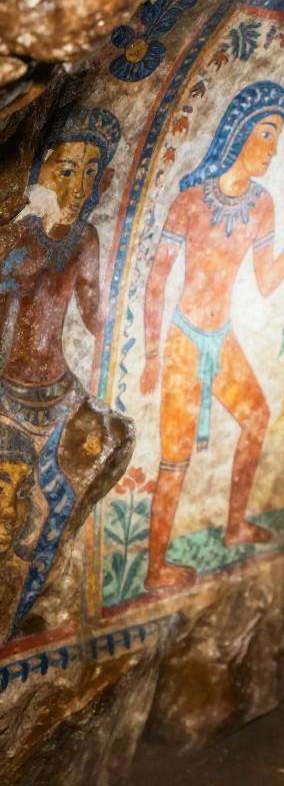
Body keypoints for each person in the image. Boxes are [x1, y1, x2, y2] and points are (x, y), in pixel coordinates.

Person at [142, 81, 284, 590]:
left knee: (256, 418)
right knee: (174, 458)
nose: (273, 148)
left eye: (277, 136)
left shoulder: (263, 204)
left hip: (222, 338)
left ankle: (236, 524)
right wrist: (153, 355)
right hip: (184, 340)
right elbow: (157, 280)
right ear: (238, 132)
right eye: (266, 133)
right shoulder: (189, 201)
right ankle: (155, 567)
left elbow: (265, 281)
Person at [0, 106, 132, 638]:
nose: (77, 187)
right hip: (8, 395)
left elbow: (98, 316)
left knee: (60, 500)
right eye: (67, 170)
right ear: (42, 172)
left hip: (60, 394)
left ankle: (28, 600)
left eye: (89, 172)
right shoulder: (18, 237)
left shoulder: (83, 241)